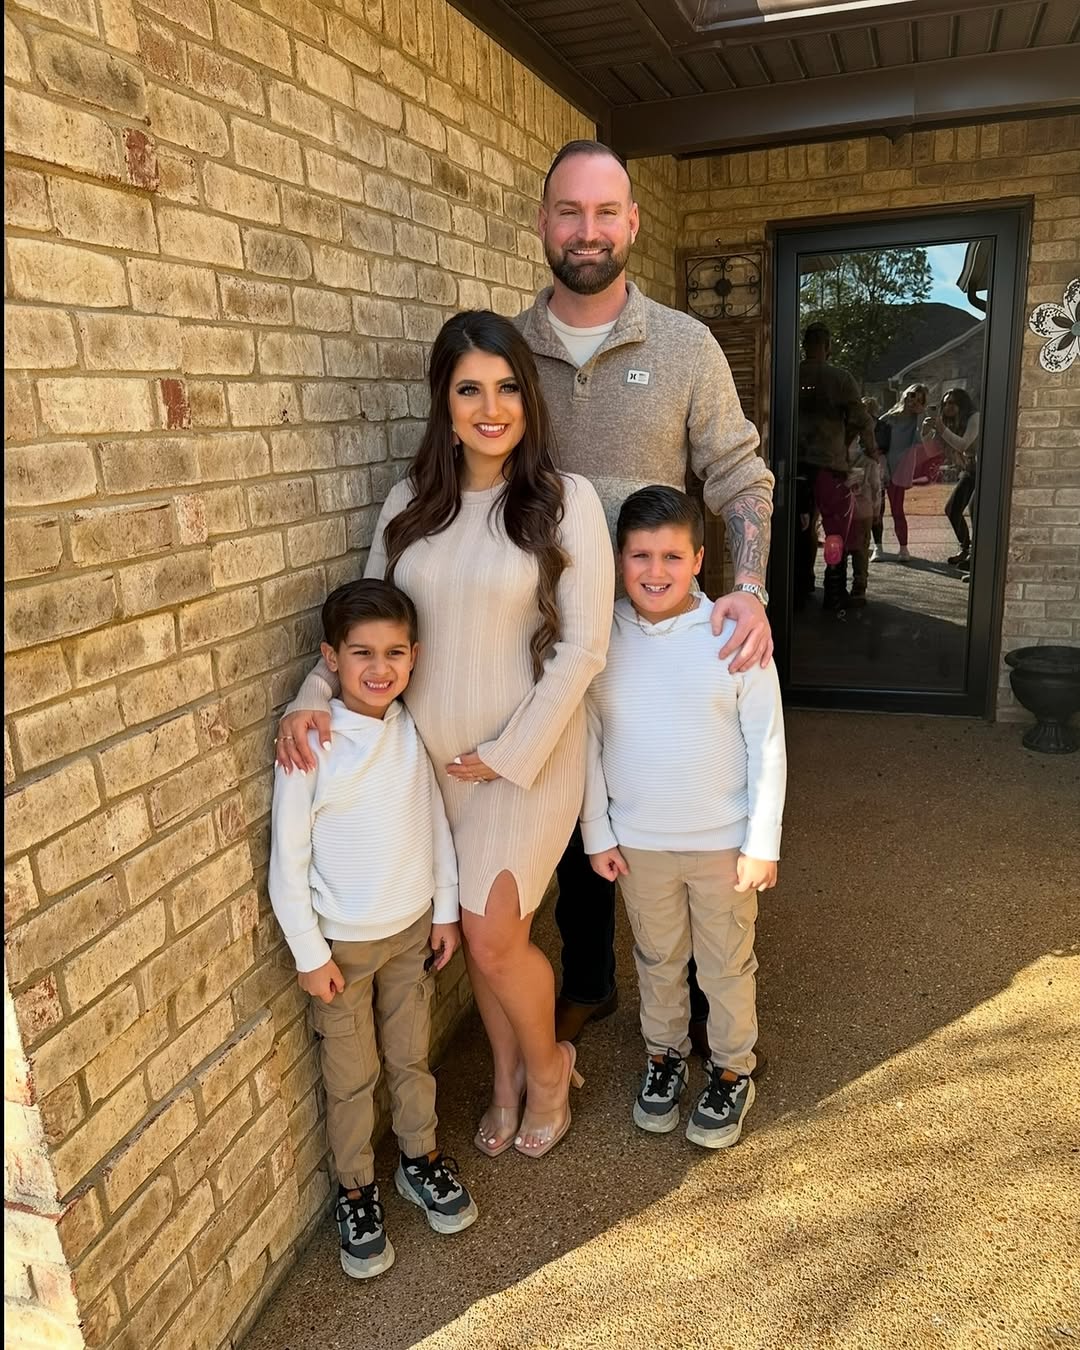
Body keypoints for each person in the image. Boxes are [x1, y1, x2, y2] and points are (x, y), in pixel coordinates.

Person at [278, 311, 614, 1161]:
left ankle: (549, 1068)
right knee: (482, 942)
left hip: (526, 762)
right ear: (445, 403)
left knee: (495, 939)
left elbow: (583, 650)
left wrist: (506, 755)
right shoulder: (409, 504)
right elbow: (367, 625)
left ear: (529, 399)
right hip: (429, 769)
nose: (491, 409)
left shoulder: (567, 502)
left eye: (507, 389)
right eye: (470, 390)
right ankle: (504, 1078)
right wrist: (308, 697)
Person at [518, 139, 776, 1053]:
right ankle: (590, 982)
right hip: (544, 636)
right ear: (543, 222)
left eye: (605, 212)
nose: (587, 230)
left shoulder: (684, 345)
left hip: (654, 630)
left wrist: (749, 586)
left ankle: (707, 1000)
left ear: (631, 222)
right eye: (569, 211)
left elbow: (739, 474)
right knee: (578, 820)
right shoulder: (512, 351)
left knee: (674, 800)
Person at [268, 578, 477, 1280]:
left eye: (394, 652)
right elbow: (287, 859)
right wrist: (308, 954)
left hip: (411, 933)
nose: (379, 668)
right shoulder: (312, 744)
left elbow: (433, 823)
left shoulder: (410, 729)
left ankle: (420, 1159)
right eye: (361, 653)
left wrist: (444, 912)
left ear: (414, 656)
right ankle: (356, 1189)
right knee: (352, 1077)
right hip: (344, 949)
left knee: (411, 1057)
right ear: (332, 658)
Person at [581, 486, 786, 1147]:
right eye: (640, 555)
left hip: (723, 845)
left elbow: (767, 742)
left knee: (725, 964)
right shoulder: (599, 638)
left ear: (698, 559)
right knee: (658, 958)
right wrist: (596, 832)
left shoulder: (733, 633)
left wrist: (762, 841)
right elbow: (586, 740)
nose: (655, 571)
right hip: (639, 845)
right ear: (619, 559)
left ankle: (731, 1069)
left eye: (672, 556)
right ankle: (664, 1055)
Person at [796, 323, 877, 611]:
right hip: (829, 465)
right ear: (828, 346)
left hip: (794, 466)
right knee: (834, 531)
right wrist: (867, 448)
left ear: (805, 345)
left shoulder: (790, 375)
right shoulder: (840, 379)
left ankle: (799, 586)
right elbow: (863, 420)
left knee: (800, 530)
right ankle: (834, 591)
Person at [879, 383, 929, 561]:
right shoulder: (889, 418)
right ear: (905, 395)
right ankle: (878, 547)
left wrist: (922, 413)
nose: (914, 401)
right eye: (912, 395)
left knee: (897, 510)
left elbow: (923, 441)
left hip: (900, 469)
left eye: (920, 399)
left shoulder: (918, 420)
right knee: (877, 510)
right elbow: (876, 439)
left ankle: (903, 548)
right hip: (882, 465)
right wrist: (882, 466)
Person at [937, 388, 980, 577]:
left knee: (975, 509)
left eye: (952, 403)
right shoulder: (952, 423)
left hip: (986, 468)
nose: (948, 407)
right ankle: (966, 549)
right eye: (945, 403)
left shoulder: (974, 417)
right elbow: (933, 449)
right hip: (971, 469)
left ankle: (977, 557)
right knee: (952, 509)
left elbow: (963, 444)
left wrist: (941, 428)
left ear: (962, 404)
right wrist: (927, 431)